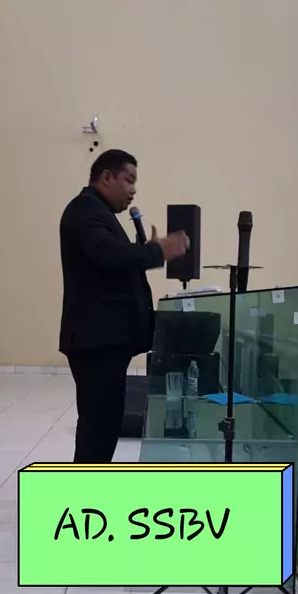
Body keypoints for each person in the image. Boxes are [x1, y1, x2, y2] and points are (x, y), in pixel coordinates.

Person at [59, 149, 189, 463]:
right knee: (97, 429)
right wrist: (159, 252)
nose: (133, 190)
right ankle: (84, 488)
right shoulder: (85, 210)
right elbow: (109, 255)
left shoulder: (99, 214)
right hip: (96, 341)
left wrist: (146, 251)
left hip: (105, 341)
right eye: (128, 180)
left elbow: (116, 260)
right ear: (107, 177)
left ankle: (92, 483)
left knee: (104, 426)